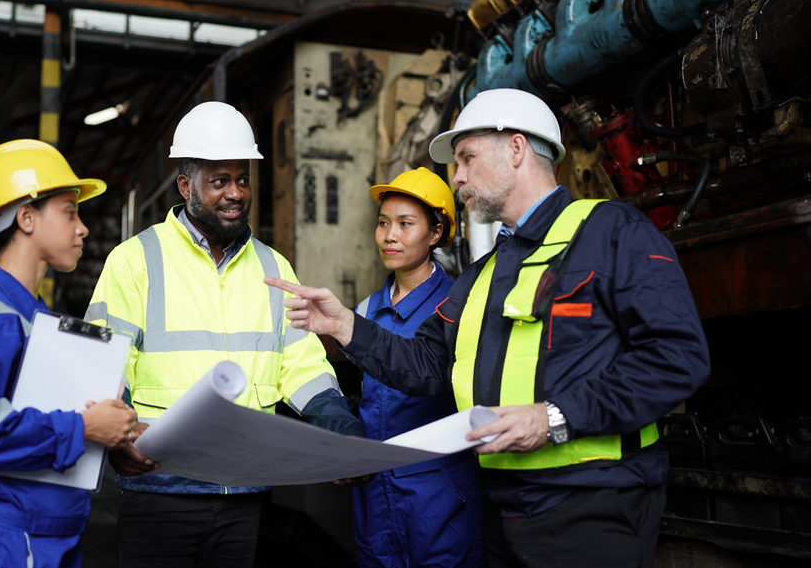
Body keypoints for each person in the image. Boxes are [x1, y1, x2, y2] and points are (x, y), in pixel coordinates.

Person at [266, 88, 710, 567]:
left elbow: (678, 357)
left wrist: (553, 417)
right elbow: (428, 365)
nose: (456, 178)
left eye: (466, 159)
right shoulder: (481, 276)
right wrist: (348, 326)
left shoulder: (613, 231)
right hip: (502, 512)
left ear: (516, 149)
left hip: (593, 502)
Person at [85, 101, 365, 568]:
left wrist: (339, 424)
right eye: (219, 181)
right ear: (185, 186)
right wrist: (122, 438)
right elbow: (103, 364)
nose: (235, 193)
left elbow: (300, 365)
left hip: (242, 488)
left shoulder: (274, 267)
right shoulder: (135, 260)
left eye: (242, 178)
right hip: (160, 489)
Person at [0, 139, 140, 568]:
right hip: (0, 547)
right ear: (26, 217)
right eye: (69, 212)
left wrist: (113, 438)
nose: (82, 228)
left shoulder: (33, 317)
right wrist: (84, 428)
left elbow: (42, 417)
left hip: (43, 540)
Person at [352, 167, 484, 568]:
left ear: (436, 232)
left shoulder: (459, 307)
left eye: (405, 224)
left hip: (439, 492)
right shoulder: (364, 313)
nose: (390, 235)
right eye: (383, 223)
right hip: (374, 490)